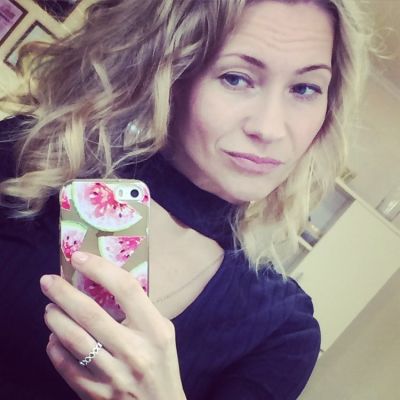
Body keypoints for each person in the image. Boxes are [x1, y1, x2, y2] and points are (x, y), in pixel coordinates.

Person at [0, 0, 369, 399]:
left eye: (304, 88)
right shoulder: (33, 160)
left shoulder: (282, 330)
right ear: (172, 72)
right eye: (235, 78)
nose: (270, 129)